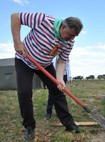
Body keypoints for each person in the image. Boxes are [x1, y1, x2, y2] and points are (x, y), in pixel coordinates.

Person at [11, 12, 83, 140]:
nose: (71, 39)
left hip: (44, 65)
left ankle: (69, 124)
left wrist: (60, 79)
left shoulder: (69, 43)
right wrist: (17, 43)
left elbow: (61, 61)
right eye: (70, 35)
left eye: (74, 37)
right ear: (63, 26)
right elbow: (15, 16)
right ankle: (29, 127)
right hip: (24, 60)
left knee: (57, 90)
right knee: (24, 92)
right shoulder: (43, 20)